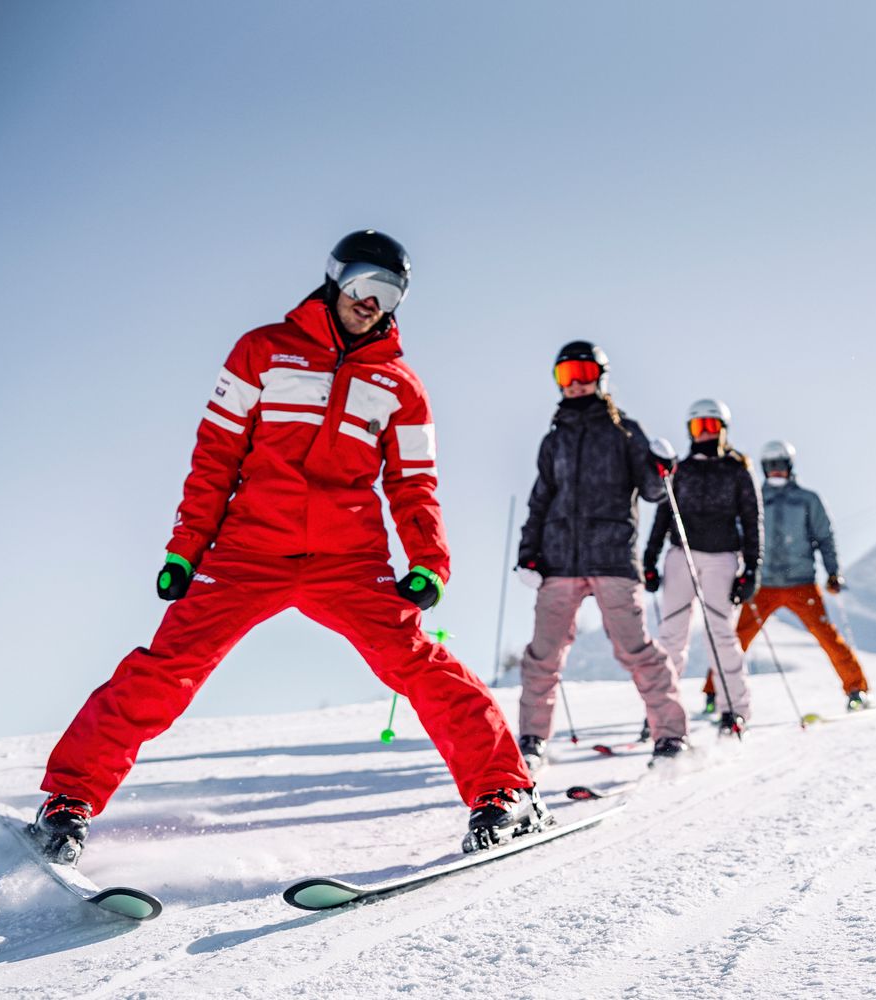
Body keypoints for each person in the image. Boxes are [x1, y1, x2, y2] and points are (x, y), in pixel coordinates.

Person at [33, 230, 541, 861]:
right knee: (166, 667)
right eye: (362, 284)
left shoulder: (399, 387)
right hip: (249, 550)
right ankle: (68, 798)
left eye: (389, 292)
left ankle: (504, 791)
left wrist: (429, 564)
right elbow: (216, 456)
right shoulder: (264, 351)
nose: (371, 301)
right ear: (335, 279)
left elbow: (414, 485)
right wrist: (185, 549)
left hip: (349, 560)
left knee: (419, 663)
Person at [514, 341, 689, 772]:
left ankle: (670, 736)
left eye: (583, 373)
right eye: (565, 376)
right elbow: (541, 499)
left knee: (635, 649)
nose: (574, 384)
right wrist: (528, 553)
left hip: (612, 557)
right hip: (558, 560)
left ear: (600, 378)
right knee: (543, 655)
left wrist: (663, 467)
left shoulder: (624, 432)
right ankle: (532, 741)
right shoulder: (553, 441)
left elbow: (651, 491)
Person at [642, 399, 762, 735]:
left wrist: (752, 568)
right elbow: (663, 514)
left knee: (720, 633)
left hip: (723, 557)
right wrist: (649, 561)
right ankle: (660, 711)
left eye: (712, 426)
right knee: (671, 635)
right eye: (699, 427)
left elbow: (753, 519)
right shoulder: (681, 469)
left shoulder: (738, 470)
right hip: (682, 556)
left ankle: (734, 710)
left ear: (724, 430)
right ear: (690, 431)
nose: (705, 433)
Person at [730, 440, 872, 712]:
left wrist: (833, 572)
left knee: (827, 636)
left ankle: (856, 689)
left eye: (780, 465)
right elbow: (741, 537)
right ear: (763, 468)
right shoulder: (755, 499)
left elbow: (825, 537)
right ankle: (715, 694)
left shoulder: (807, 500)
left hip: (801, 584)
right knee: (737, 639)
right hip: (763, 585)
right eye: (770, 466)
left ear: (790, 466)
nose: (776, 471)